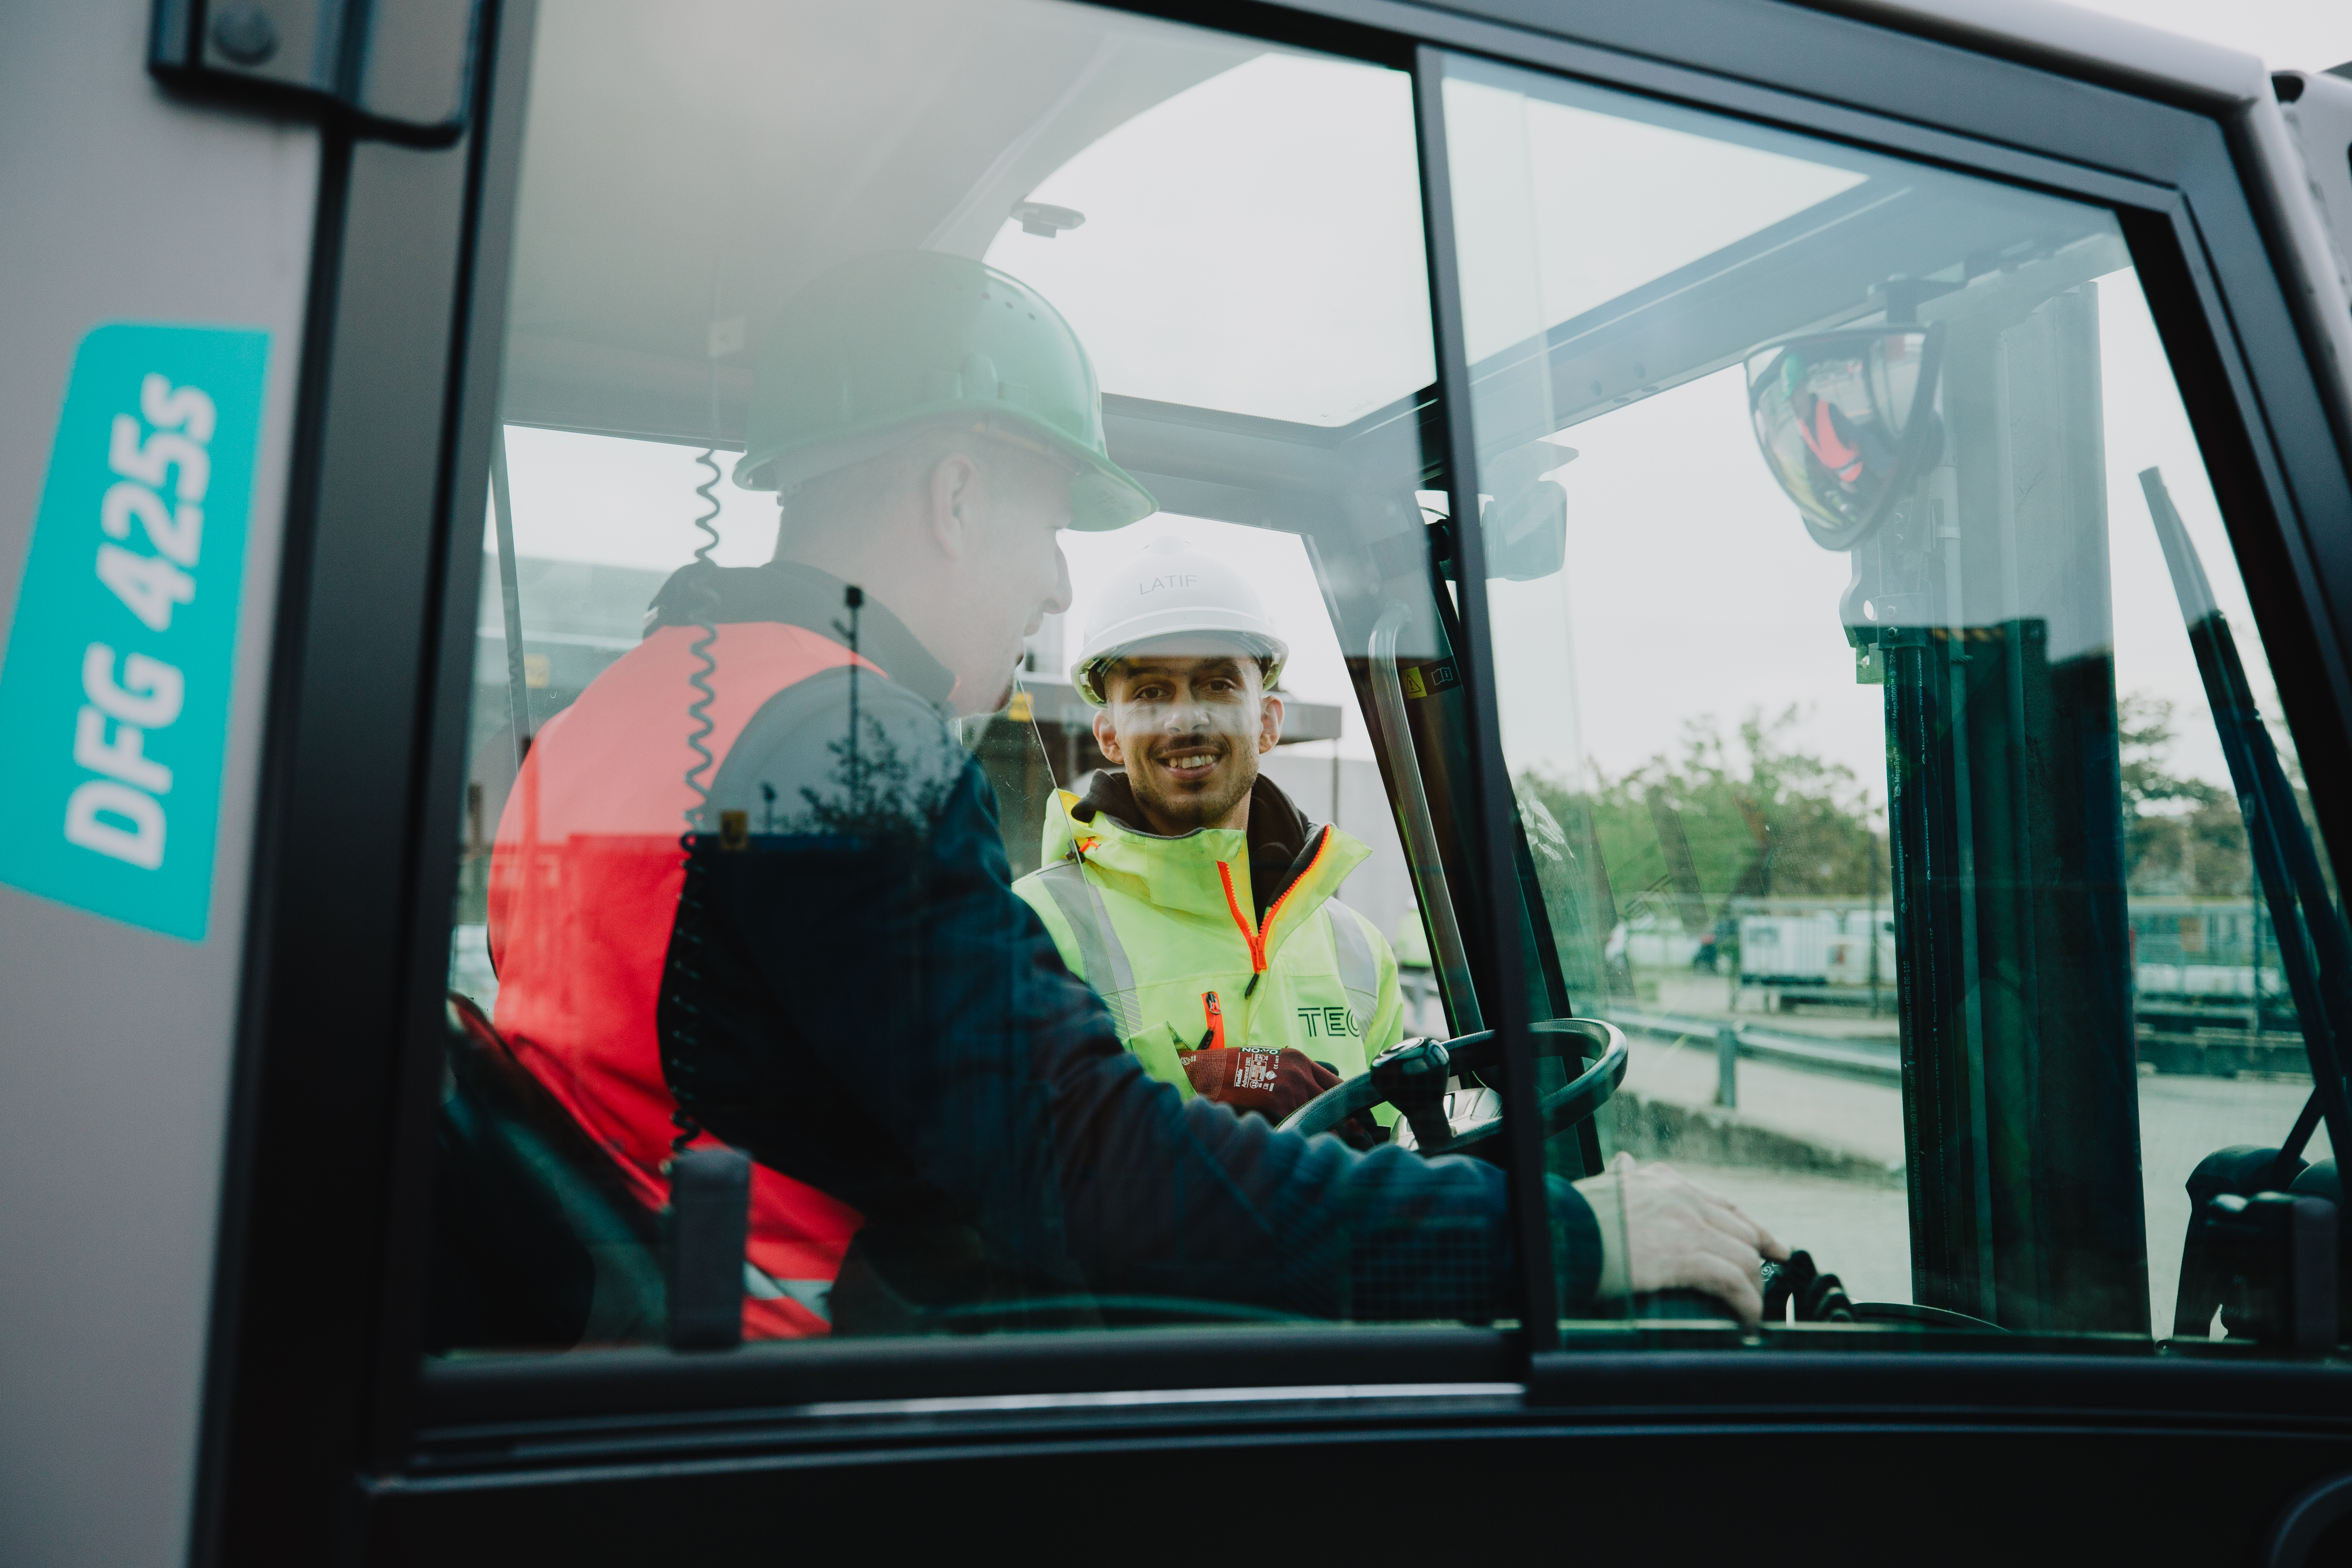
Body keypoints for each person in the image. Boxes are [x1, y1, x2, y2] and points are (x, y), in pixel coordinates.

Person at [487, 248, 1781, 1339]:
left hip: (685, 1349)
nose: (1056, 588)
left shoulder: (613, 720)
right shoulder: (844, 740)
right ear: (955, 496)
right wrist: (1553, 1238)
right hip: (836, 1394)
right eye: (1052, 531)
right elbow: (1092, 1174)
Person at [1012, 538, 1400, 1138]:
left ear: (1267, 722)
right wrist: (1207, 1076)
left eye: (1217, 685)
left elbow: (1399, 1151)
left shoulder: (1360, 952)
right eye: (1149, 693)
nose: (1185, 720)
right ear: (1109, 734)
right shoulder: (1033, 923)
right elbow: (1010, 1134)